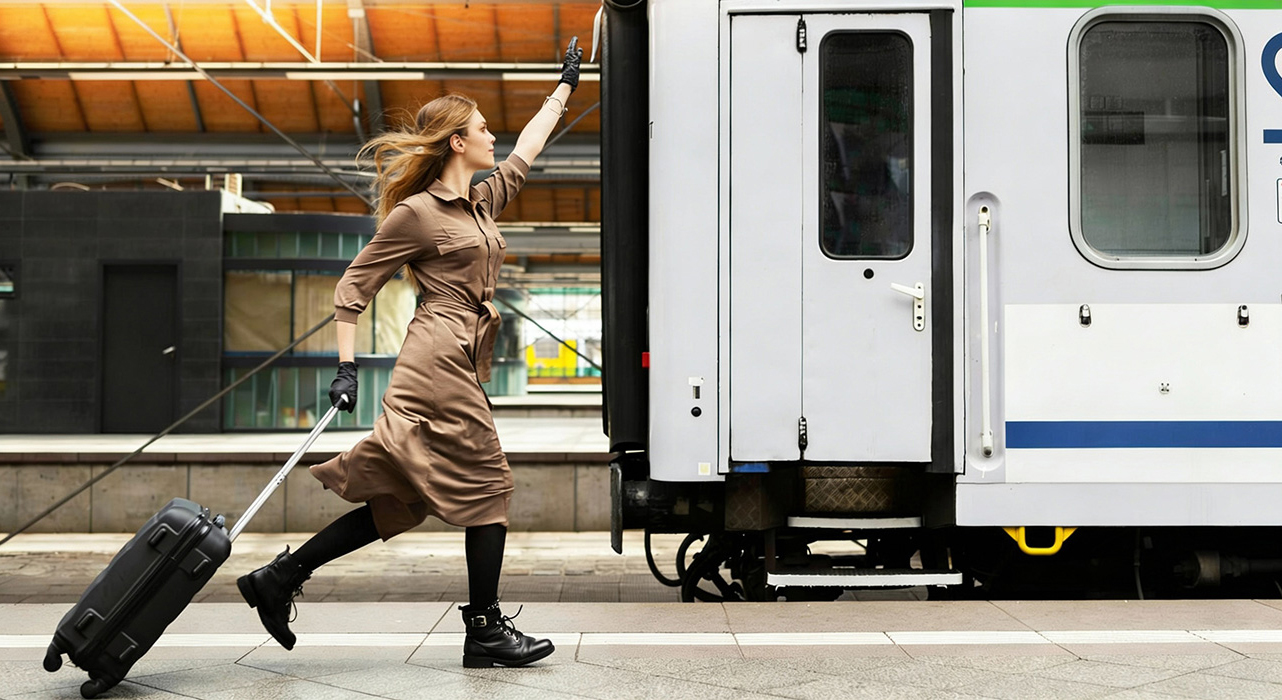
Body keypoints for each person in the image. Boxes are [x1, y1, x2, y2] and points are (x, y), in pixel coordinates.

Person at [236, 37, 584, 669]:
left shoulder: (480, 202)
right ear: (457, 142)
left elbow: (527, 151)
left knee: (401, 502)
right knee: (490, 483)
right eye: (483, 128)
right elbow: (353, 288)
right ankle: (484, 629)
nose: (493, 136)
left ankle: (279, 577)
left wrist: (564, 89)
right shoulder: (418, 214)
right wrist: (345, 369)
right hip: (436, 363)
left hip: (460, 358)